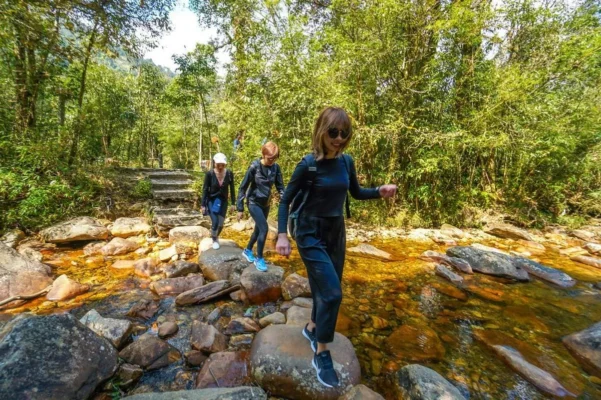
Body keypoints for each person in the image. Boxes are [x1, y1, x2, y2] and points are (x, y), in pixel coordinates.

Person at [276, 107, 397, 388]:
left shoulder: (346, 162)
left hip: (335, 231)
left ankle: (311, 328)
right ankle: (322, 351)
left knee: (324, 287)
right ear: (322, 130)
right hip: (308, 231)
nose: (339, 138)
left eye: (344, 133)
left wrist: (378, 192)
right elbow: (285, 201)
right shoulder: (308, 165)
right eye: (333, 132)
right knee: (332, 293)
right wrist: (282, 235)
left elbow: (354, 192)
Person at [236, 141, 285, 272]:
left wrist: (285, 198)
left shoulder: (276, 168)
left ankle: (247, 250)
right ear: (263, 155)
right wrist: (240, 208)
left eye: (275, 158)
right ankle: (259, 258)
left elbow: (280, 186)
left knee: (258, 230)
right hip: (253, 202)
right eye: (270, 158)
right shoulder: (254, 167)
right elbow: (243, 187)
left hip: (266, 203)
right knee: (264, 228)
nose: (272, 161)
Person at [201, 153, 236, 249]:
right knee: (215, 221)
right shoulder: (210, 174)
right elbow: (205, 189)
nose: (220, 167)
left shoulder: (229, 173)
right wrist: (203, 205)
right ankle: (214, 239)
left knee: (220, 224)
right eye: (218, 164)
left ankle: (214, 234)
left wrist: (233, 203)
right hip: (211, 200)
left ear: (225, 164)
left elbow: (232, 189)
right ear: (214, 163)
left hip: (223, 201)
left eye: (222, 165)